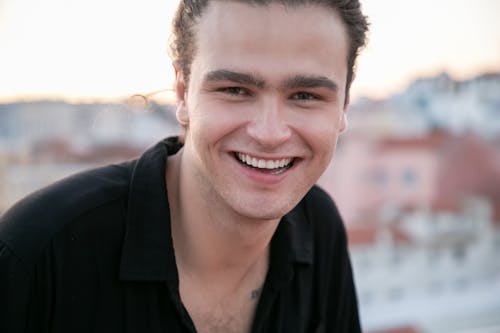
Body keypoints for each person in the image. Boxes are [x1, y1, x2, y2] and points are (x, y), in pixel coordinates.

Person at [0, 0, 368, 332]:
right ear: (182, 93)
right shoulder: (37, 254)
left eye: (305, 96)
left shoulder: (318, 226)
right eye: (235, 90)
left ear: (344, 106)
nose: (269, 134)